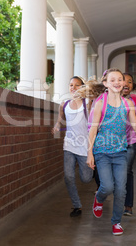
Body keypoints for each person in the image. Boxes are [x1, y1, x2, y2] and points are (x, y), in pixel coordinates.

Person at [84, 69, 136, 236]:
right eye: (113, 80)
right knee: (107, 186)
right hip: (102, 152)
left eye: (121, 79)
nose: (118, 82)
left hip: (120, 152)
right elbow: (93, 129)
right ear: (106, 83)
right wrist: (90, 153)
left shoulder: (128, 104)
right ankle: (99, 198)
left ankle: (116, 222)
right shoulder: (100, 103)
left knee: (121, 189)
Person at [51, 76, 93, 217]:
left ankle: (96, 172)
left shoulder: (87, 103)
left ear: (82, 87)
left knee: (86, 178)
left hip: (85, 147)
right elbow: (60, 120)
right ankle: (77, 205)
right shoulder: (64, 104)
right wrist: (57, 126)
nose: (73, 87)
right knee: (68, 176)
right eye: (71, 85)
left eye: (77, 85)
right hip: (69, 145)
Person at [122, 73, 136, 216]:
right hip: (112, 142)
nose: (126, 84)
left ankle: (127, 205)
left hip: (131, 141)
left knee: (127, 170)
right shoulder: (107, 99)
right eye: (123, 80)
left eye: (130, 81)